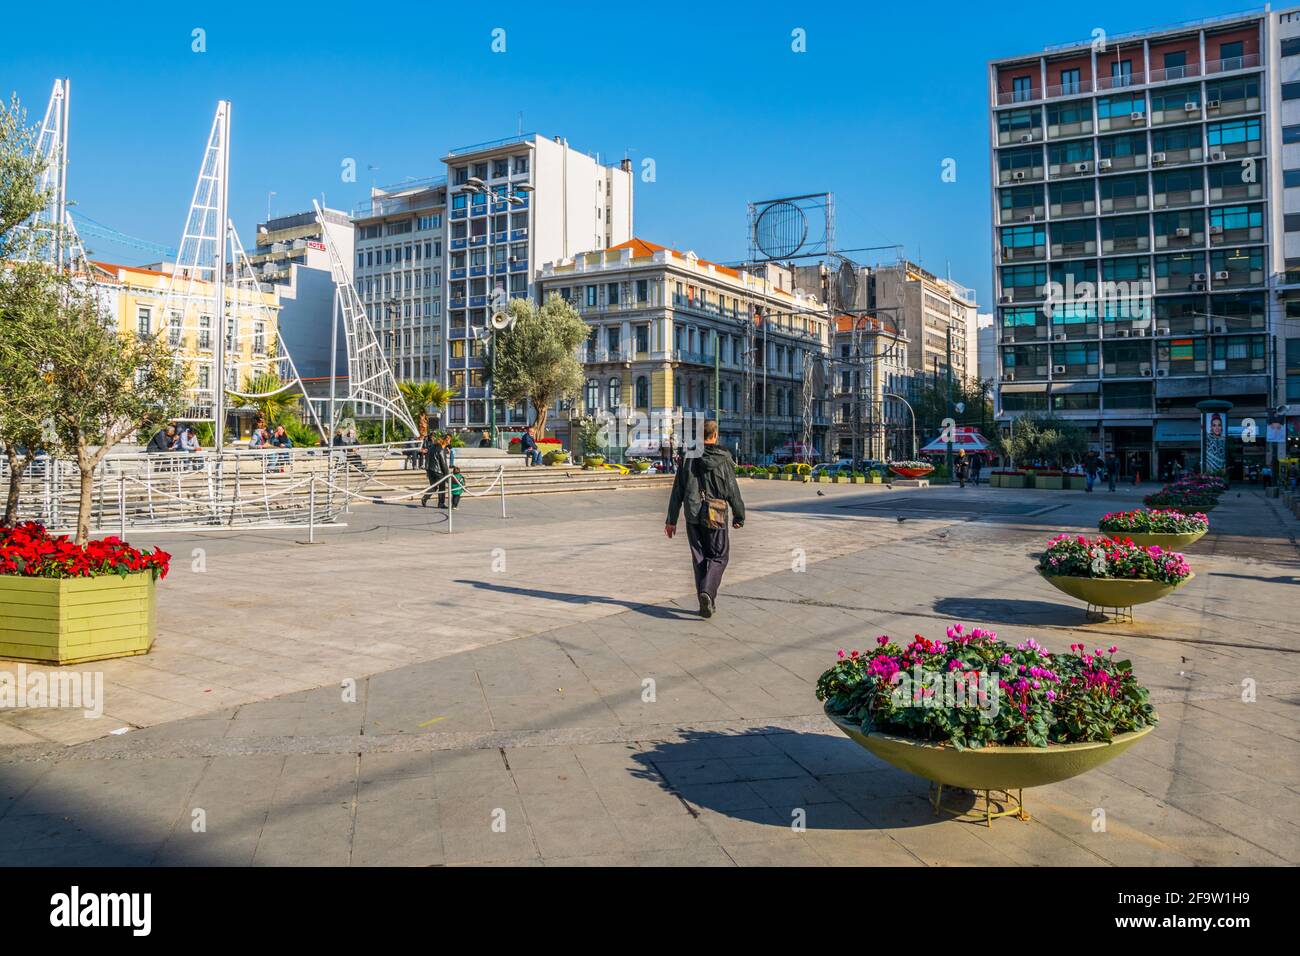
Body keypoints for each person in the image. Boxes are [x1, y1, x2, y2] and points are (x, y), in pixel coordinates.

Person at [664, 419, 745, 619]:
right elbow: (732, 490)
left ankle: (706, 602)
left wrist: (671, 520)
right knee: (719, 556)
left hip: (693, 514)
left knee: (699, 557)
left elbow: (678, 490)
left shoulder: (688, 457)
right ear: (715, 435)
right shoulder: (723, 458)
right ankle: (707, 593)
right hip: (715, 513)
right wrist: (739, 515)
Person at [421, 431, 448, 508]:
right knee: (442, 487)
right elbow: (444, 464)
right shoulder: (441, 449)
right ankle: (441, 503)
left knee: (433, 487)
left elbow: (427, 459)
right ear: (442, 441)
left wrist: (427, 470)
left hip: (430, 470)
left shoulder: (431, 447)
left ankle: (425, 498)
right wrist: (447, 474)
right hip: (438, 472)